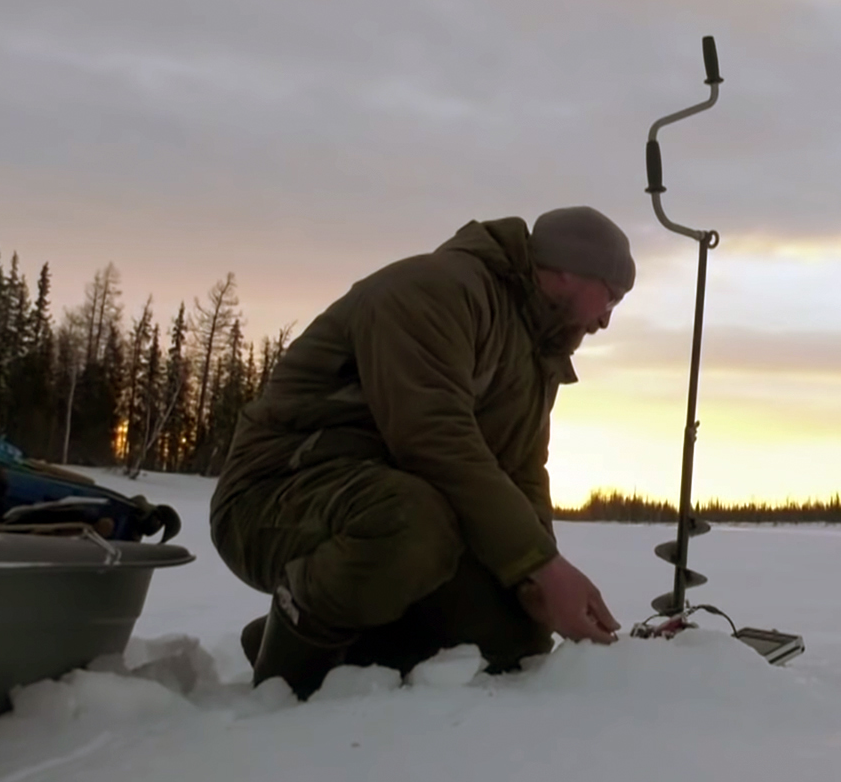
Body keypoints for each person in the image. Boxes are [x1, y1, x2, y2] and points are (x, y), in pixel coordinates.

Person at [210, 206, 629, 697]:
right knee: (412, 522)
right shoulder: (437, 290)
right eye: (610, 298)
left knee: (517, 633)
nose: (605, 319)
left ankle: (320, 640)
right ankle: (284, 683)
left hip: (389, 501)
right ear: (565, 271)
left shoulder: (535, 354)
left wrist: (537, 582)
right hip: (272, 495)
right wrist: (540, 565)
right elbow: (432, 438)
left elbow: (521, 472)